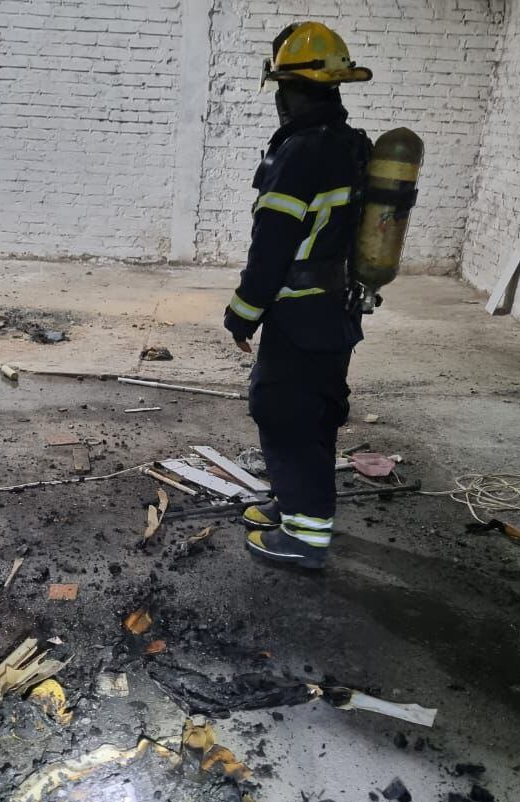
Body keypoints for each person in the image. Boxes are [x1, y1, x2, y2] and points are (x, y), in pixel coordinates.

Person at [223, 22, 373, 570]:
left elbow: (273, 246)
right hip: (336, 309)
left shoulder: (300, 153)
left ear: (288, 90)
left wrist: (242, 313)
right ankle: (292, 505)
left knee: (287, 413)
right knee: (315, 410)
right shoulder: (352, 145)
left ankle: (306, 537)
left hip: (301, 312)